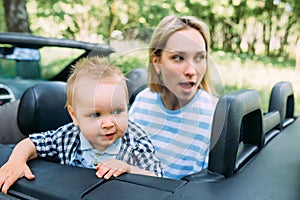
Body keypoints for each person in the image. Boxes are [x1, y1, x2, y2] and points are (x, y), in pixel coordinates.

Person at [0, 56, 162, 194]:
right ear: (74, 116)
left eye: (117, 111)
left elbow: (158, 179)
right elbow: (32, 143)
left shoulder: (135, 139)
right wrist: (16, 161)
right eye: (96, 114)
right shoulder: (68, 136)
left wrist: (129, 169)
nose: (108, 123)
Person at [129, 15, 221, 180]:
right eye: (178, 58)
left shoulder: (215, 115)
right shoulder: (143, 101)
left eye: (199, 57)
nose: (191, 71)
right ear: (156, 62)